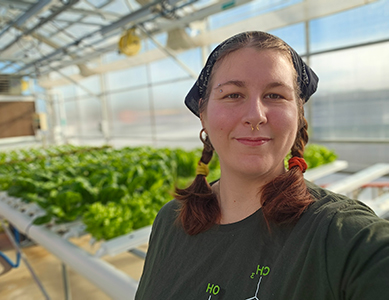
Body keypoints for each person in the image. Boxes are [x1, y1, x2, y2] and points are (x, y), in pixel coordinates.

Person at [135, 31, 389, 299]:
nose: (255, 115)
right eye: (233, 95)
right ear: (203, 114)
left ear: (298, 116)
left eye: (275, 95)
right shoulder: (171, 219)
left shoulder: (341, 236)